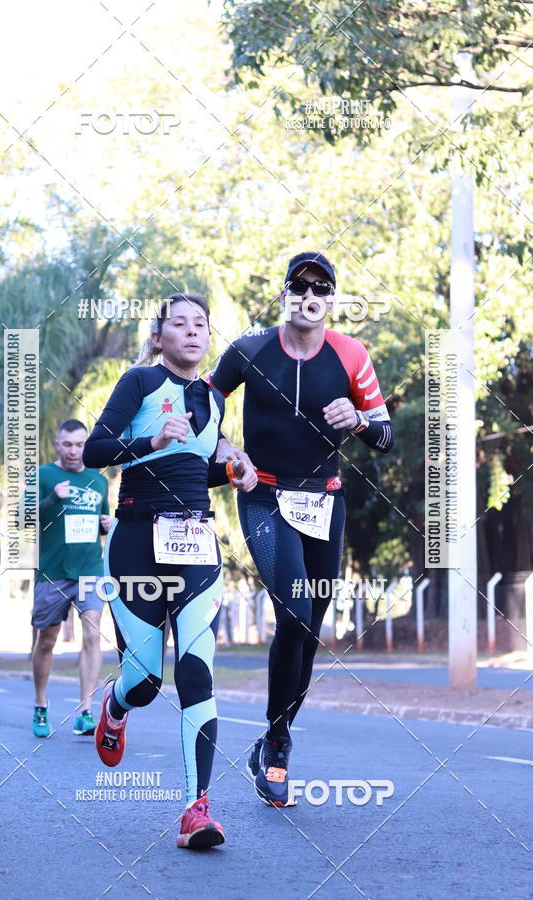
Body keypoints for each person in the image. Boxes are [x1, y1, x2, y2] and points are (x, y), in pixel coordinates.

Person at [209, 251, 395, 806]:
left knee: (310, 628)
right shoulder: (249, 349)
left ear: (332, 300)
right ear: (285, 293)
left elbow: (386, 436)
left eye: (321, 288)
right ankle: (279, 743)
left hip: (324, 500)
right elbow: (203, 404)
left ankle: (274, 736)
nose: (309, 296)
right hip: (263, 494)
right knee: (293, 609)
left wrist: (358, 421)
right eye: (299, 285)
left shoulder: (351, 354)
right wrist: (225, 447)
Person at [82, 293, 256, 849]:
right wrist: (151, 440)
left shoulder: (213, 400)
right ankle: (116, 705)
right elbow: (94, 450)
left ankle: (195, 809)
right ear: (160, 337)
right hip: (135, 542)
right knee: (146, 680)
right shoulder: (139, 381)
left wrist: (234, 471)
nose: (192, 331)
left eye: (200, 324)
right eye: (179, 324)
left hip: (196, 543)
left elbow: (193, 469)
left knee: (196, 670)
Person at [32, 419, 112, 738]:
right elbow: (24, 518)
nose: (73, 451)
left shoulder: (98, 480)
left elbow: (101, 522)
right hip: (53, 571)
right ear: (57, 445)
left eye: (79, 444)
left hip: (91, 568)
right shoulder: (43, 476)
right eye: (67, 444)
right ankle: (41, 704)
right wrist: (53, 498)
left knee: (92, 634)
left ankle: (85, 711)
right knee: (47, 640)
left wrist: (108, 525)